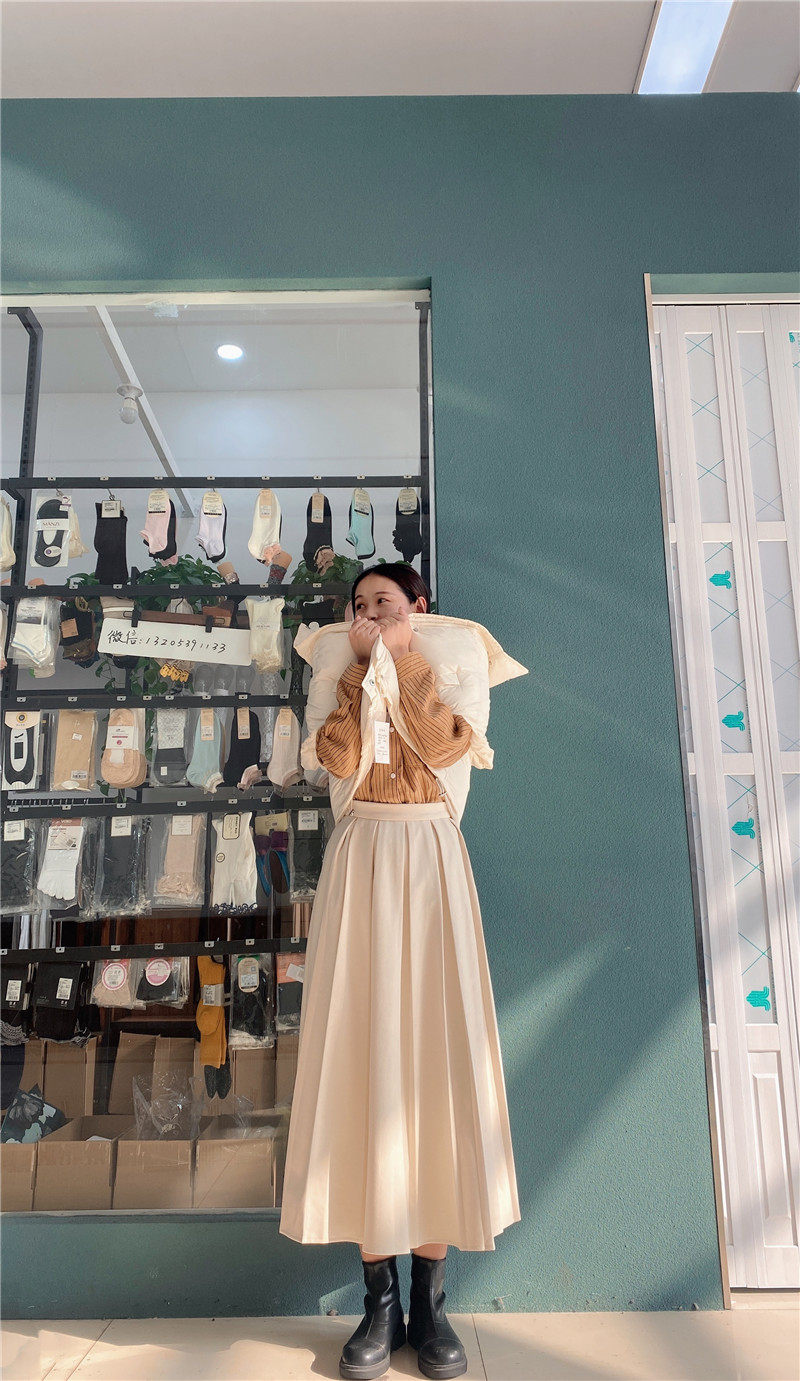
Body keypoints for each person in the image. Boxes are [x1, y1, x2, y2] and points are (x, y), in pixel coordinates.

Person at [279, 562, 521, 1381]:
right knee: (364, 1064)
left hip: (431, 859)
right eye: (359, 605)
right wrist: (357, 672)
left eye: (383, 601)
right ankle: (379, 1299)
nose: (370, 613)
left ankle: (431, 1300)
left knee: (435, 1067)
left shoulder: (447, 661)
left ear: (417, 606)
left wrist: (404, 657)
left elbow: (449, 744)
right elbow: (335, 758)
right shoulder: (344, 674)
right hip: (361, 862)